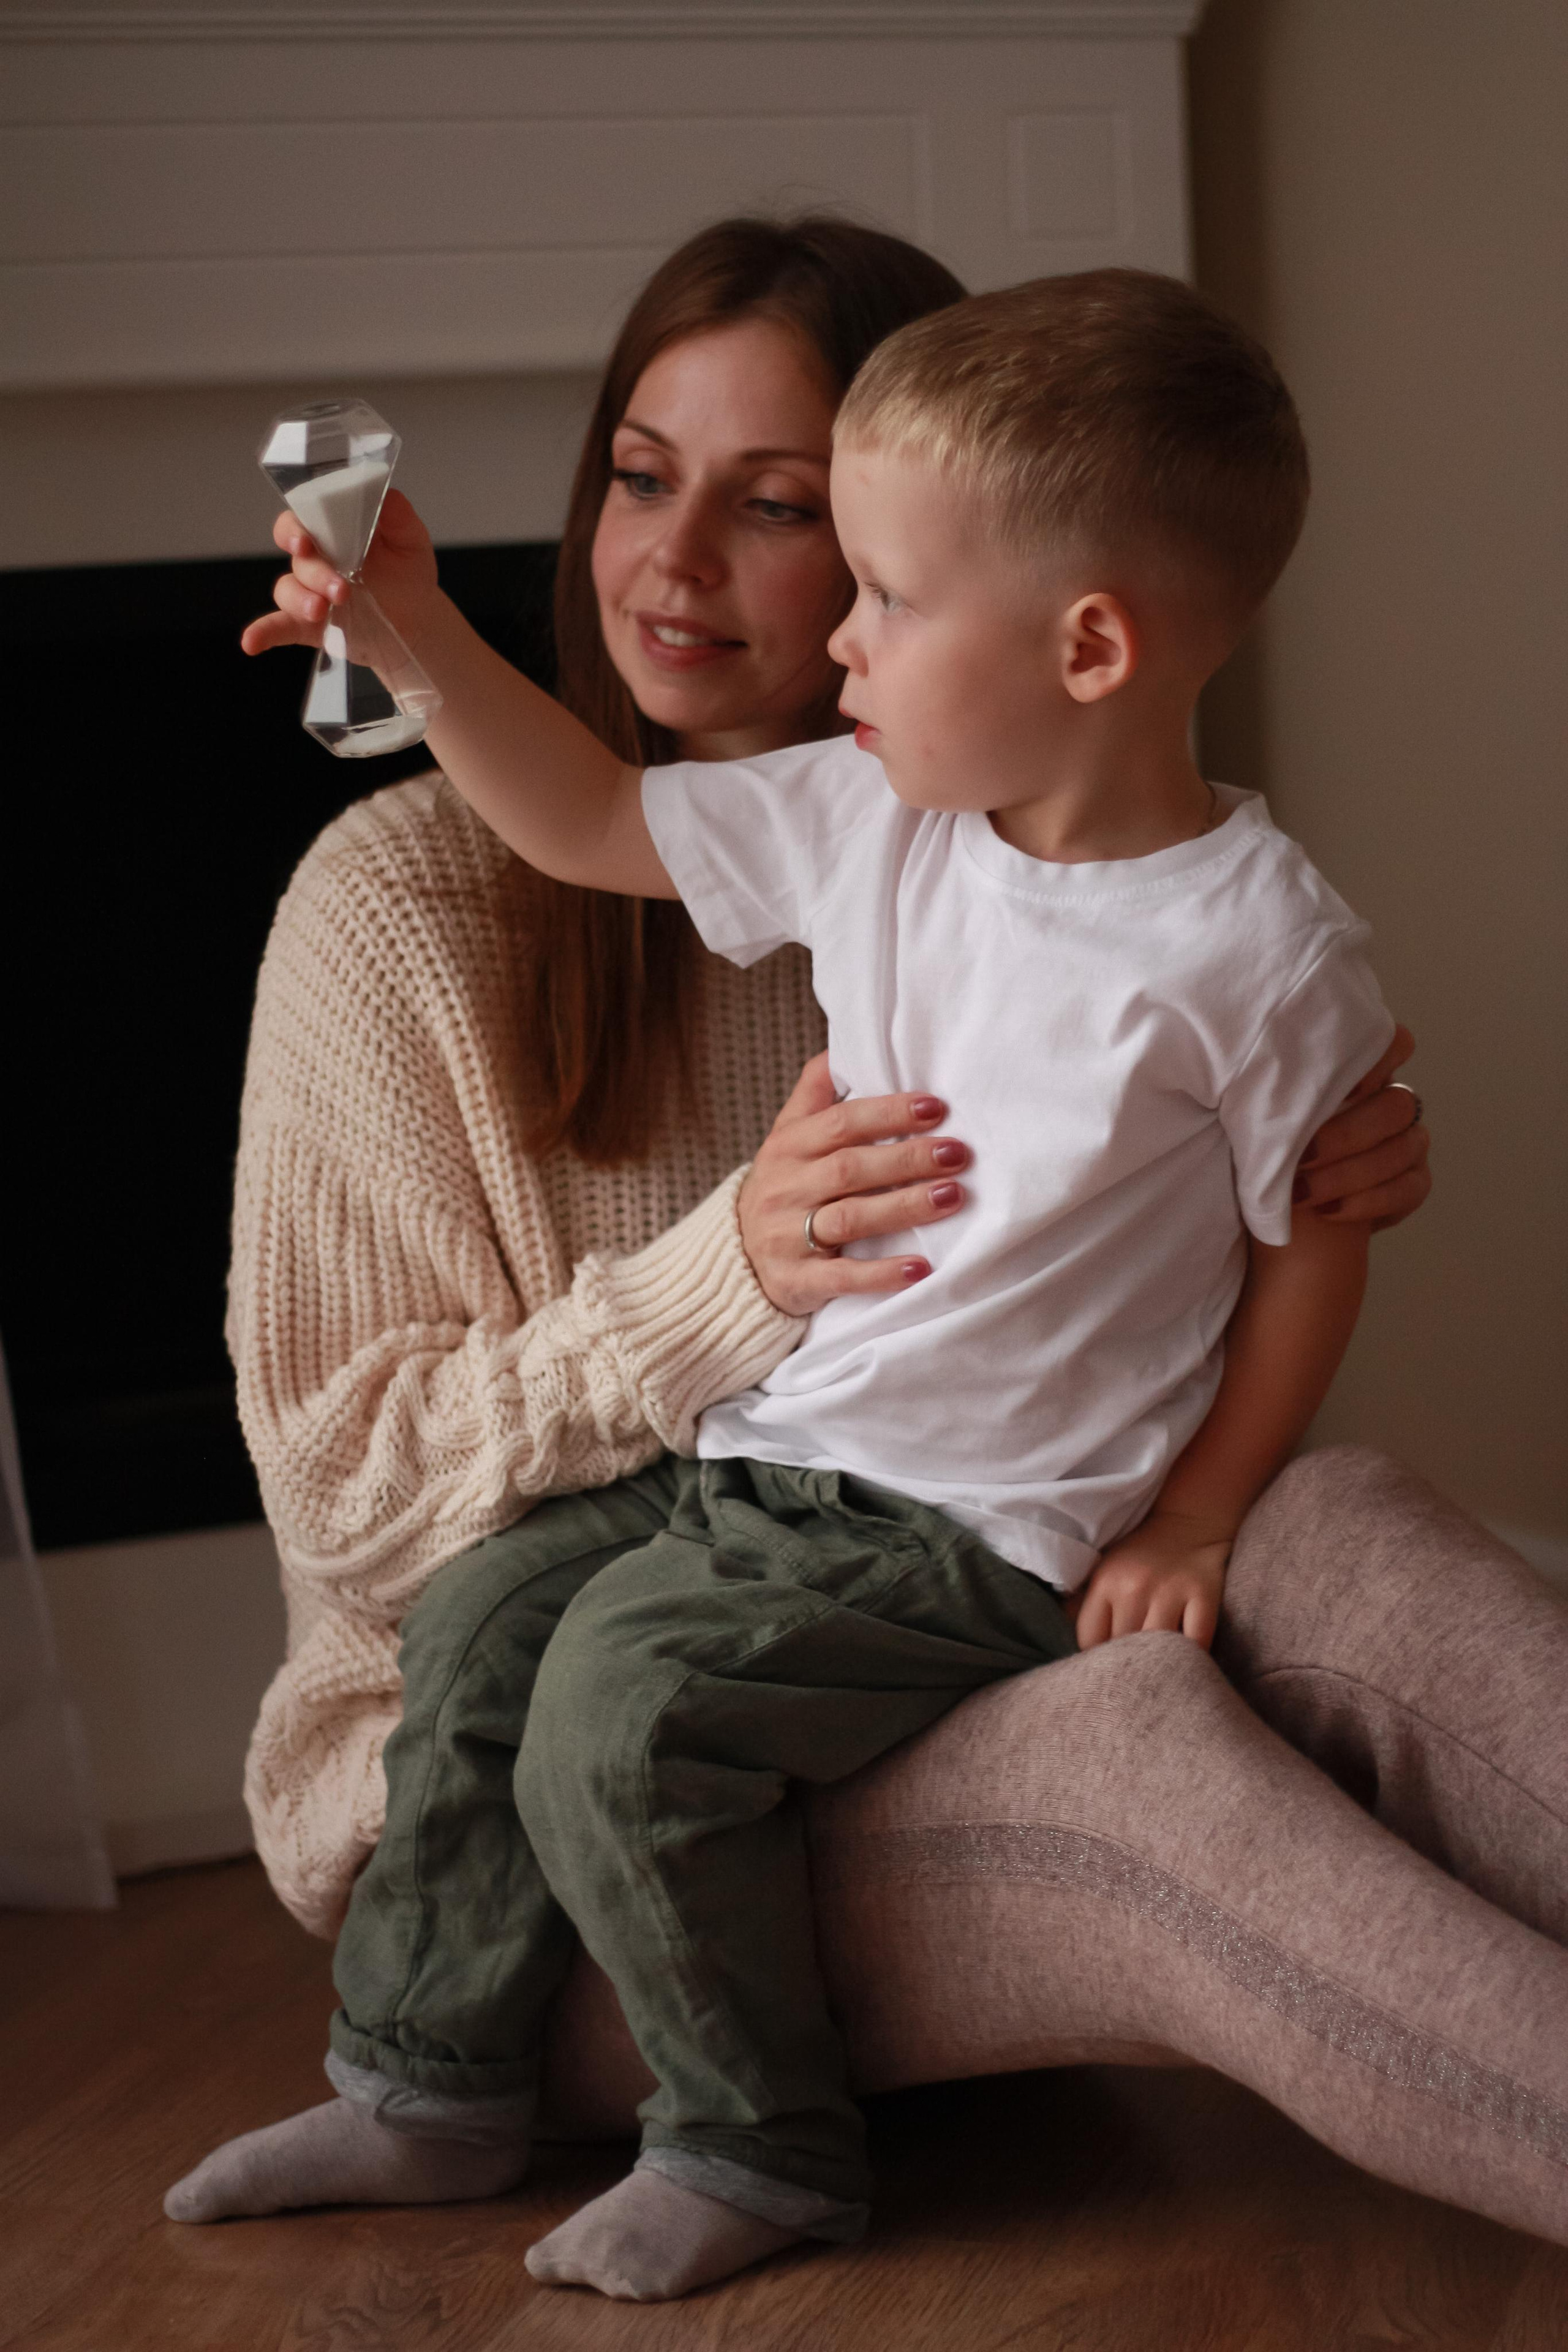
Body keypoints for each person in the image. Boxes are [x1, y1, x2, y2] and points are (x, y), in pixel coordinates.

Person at [166, 221, 1541, 2281]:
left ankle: (764, 2155)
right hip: (774, 1493)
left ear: (1081, 645)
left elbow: (1292, 1255)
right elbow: (585, 826)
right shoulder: (857, 824)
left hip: (962, 1525)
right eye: (640, 474)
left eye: (836, 548)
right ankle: (428, 2083)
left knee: (1342, 1548)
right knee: (500, 1633)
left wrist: (1204, 1507)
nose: (773, 612)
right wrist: (424, 640)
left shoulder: (1246, 945)